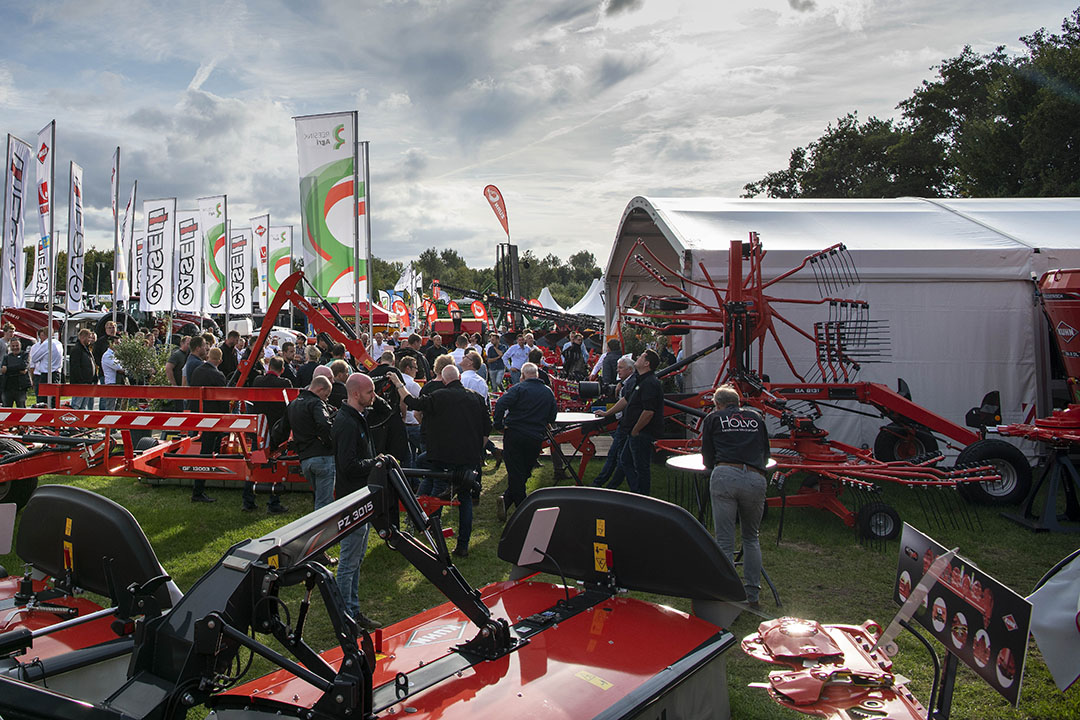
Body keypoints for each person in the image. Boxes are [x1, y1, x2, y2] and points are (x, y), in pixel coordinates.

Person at [391, 365, 490, 558]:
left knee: (436, 497)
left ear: (444, 380)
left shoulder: (439, 396)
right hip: (468, 457)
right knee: (465, 499)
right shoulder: (476, 398)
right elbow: (487, 428)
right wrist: (478, 450)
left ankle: (432, 540)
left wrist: (398, 383)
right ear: (459, 377)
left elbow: (412, 402)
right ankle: (462, 545)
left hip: (441, 456)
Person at [701, 384, 770, 608]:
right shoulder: (757, 419)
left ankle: (728, 595)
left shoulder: (713, 418)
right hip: (755, 476)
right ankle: (753, 594)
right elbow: (765, 454)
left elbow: (707, 456)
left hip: (725, 474)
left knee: (724, 540)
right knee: (751, 537)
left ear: (718, 404)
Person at [332, 372, 381, 630]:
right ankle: (346, 617)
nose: (374, 396)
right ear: (355, 394)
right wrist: (375, 462)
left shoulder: (357, 417)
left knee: (357, 558)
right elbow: (348, 465)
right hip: (352, 499)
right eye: (370, 392)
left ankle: (353, 610)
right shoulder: (348, 423)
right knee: (349, 561)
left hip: (361, 496)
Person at [492, 362, 557, 521]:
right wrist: (544, 420)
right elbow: (552, 415)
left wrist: (499, 425)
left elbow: (500, 403)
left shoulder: (518, 389)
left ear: (522, 376)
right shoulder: (547, 392)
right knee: (524, 471)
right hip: (534, 436)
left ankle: (519, 507)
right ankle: (512, 503)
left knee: (516, 473)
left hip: (514, 434)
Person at [245, 356, 291, 513]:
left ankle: (248, 500)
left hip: (259, 429)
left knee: (254, 462)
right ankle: (273, 502)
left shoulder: (258, 380)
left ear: (268, 367)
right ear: (282, 370)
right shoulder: (285, 383)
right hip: (277, 430)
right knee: (275, 465)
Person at [615, 350, 664, 495]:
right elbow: (626, 400)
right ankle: (636, 491)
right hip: (634, 431)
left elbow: (648, 412)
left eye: (641, 356)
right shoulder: (639, 379)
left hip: (642, 432)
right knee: (626, 461)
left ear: (647, 363)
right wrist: (607, 413)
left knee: (641, 466)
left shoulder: (650, 383)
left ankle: (643, 495)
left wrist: (636, 430)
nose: (638, 357)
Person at [288, 374, 336, 510]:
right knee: (324, 504)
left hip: (305, 459)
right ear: (320, 389)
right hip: (322, 457)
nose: (326, 400)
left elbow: (282, 428)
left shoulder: (293, 404)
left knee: (319, 497)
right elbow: (324, 423)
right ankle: (324, 530)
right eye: (326, 395)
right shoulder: (316, 403)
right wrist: (329, 443)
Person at [187, 347, 229, 503]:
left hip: (199, 413)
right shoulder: (218, 375)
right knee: (206, 451)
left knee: (206, 447)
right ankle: (198, 490)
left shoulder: (198, 370)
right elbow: (223, 399)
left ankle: (203, 484)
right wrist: (226, 420)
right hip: (212, 418)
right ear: (219, 361)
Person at [591, 354, 637, 489]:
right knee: (623, 458)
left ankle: (601, 483)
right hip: (624, 423)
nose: (618, 371)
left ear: (630, 370)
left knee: (616, 456)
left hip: (626, 424)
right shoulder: (627, 382)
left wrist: (607, 414)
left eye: (621, 368)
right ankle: (613, 485)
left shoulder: (631, 383)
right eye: (617, 368)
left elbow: (625, 402)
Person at [398, 356, 423, 463]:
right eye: (415, 367)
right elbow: (422, 403)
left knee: (408, 456)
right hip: (413, 423)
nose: (417, 370)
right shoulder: (413, 385)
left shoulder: (397, 381)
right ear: (408, 368)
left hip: (402, 423)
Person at [29, 327, 63, 407]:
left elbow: (34, 358)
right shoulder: (59, 343)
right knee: (54, 399)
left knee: (43, 401)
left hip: (46, 374)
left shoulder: (46, 344)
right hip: (56, 373)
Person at [68, 328, 97, 410]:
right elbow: (75, 367)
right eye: (89, 337)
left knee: (83, 406)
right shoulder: (77, 350)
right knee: (76, 405)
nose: (90, 340)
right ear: (82, 337)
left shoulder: (87, 349)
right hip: (80, 384)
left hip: (87, 383)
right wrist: (80, 380)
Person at [164, 335, 191, 413]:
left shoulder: (187, 355)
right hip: (179, 387)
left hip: (184, 388)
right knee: (179, 409)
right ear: (182, 343)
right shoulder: (177, 354)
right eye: (188, 344)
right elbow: (168, 368)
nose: (189, 346)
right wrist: (174, 384)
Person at [0, 338, 31, 407]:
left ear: (20, 345)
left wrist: (8, 368)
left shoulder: (25, 355)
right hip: (7, 388)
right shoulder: (6, 357)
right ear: (10, 347)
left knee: (21, 410)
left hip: (20, 388)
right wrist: (18, 369)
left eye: (17, 345)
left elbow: (23, 366)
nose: (15, 348)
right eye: (13, 346)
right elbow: (3, 370)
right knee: (6, 410)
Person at [100, 336, 125, 411]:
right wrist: (123, 368)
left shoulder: (116, 354)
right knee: (110, 405)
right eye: (116, 343)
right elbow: (118, 367)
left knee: (118, 404)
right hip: (111, 382)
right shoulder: (108, 355)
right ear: (111, 344)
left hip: (118, 381)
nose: (118, 345)